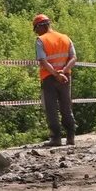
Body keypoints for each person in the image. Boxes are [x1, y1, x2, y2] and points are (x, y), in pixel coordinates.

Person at [33, 14, 77, 146]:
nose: (36, 32)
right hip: (65, 78)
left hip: (49, 78)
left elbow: (43, 61)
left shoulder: (40, 40)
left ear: (40, 27)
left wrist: (56, 74)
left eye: (36, 29)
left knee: (51, 108)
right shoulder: (65, 38)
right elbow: (73, 58)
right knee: (66, 106)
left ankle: (56, 138)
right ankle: (70, 137)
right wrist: (63, 72)